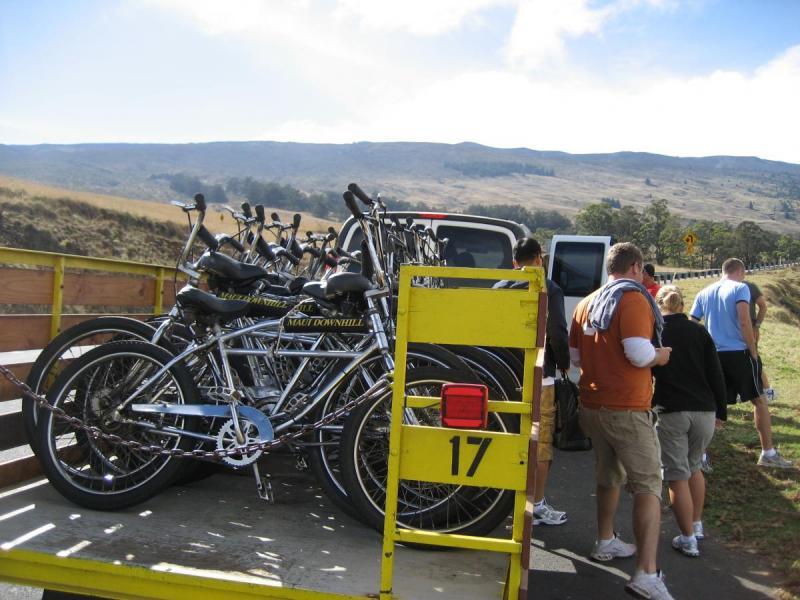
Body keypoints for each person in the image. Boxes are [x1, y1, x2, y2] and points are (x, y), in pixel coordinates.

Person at [569, 242, 674, 600]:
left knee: (608, 475)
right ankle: (647, 573)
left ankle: (605, 540)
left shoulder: (587, 303)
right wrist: (660, 355)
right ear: (636, 268)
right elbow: (639, 353)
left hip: (592, 404)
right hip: (627, 408)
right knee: (648, 486)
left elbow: (575, 357)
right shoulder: (632, 299)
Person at [494, 237, 570, 526]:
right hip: (541, 376)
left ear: (514, 262)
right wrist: (563, 362)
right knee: (540, 443)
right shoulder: (549, 288)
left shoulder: (500, 287)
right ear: (540, 258)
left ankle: (507, 503)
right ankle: (536, 504)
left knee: (510, 438)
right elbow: (558, 332)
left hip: (504, 376)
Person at [690, 258, 793, 469]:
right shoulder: (740, 288)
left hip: (713, 356)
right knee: (759, 400)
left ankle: (700, 457)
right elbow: (745, 321)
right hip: (739, 352)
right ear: (740, 272)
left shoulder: (704, 292)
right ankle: (768, 453)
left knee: (711, 405)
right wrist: (753, 351)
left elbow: (693, 323)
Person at [652, 285, 726, 558]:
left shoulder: (656, 332)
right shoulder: (699, 331)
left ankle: (687, 539)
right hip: (704, 410)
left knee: (676, 474)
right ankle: (696, 524)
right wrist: (721, 412)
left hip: (671, 410)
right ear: (683, 305)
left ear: (658, 304)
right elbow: (715, 372)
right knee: (695, 467)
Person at [744, 279, 776, 402]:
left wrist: (756, 326)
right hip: (731, 330)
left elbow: (763, 305)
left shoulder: (749, 286)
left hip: (749, 329)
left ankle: (769, 392)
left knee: (755, 359)